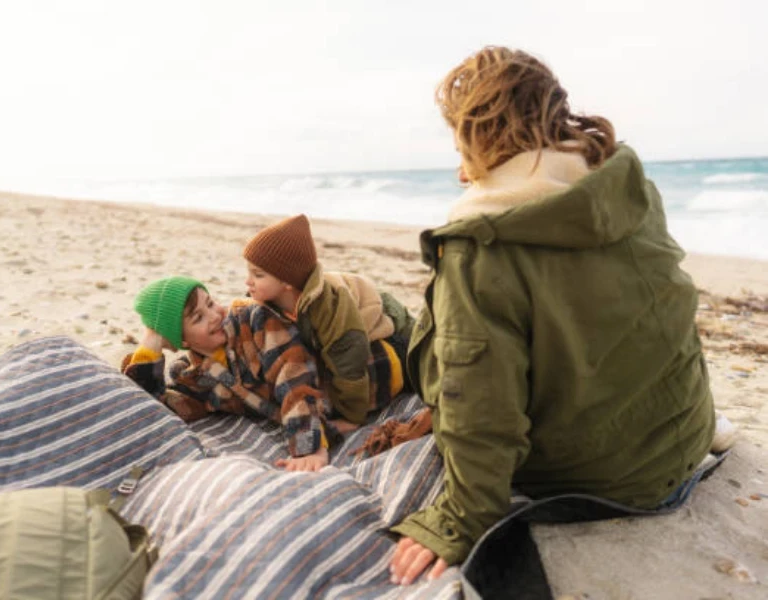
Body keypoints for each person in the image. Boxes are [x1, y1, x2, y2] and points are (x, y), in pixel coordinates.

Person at [387, 46, 719, 585]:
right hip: (682, 442)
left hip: (603, 486)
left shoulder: (480, 252)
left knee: (444, 349)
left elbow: (480, 408)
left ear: (476, 136)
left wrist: (462, 520)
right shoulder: (623, 187)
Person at [121, 276, 401, 471]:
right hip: (347, 405)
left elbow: (293, 375)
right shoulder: (195, 376)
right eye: (198, 318)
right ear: (181, 341)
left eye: (210, 302)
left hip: (382, 365)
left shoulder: (252, 319)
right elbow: (158, 407)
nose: (215, 314)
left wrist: (309, 446)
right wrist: (150, 346)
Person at [242, 213, 414, 430]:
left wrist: (352, 417)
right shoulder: (263, 300)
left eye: (257, 275)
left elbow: (350, 361)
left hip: (386, 317)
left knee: (424, 357)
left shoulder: (329, 306)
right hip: (351, 330)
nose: (248, 281)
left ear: (286, 281)